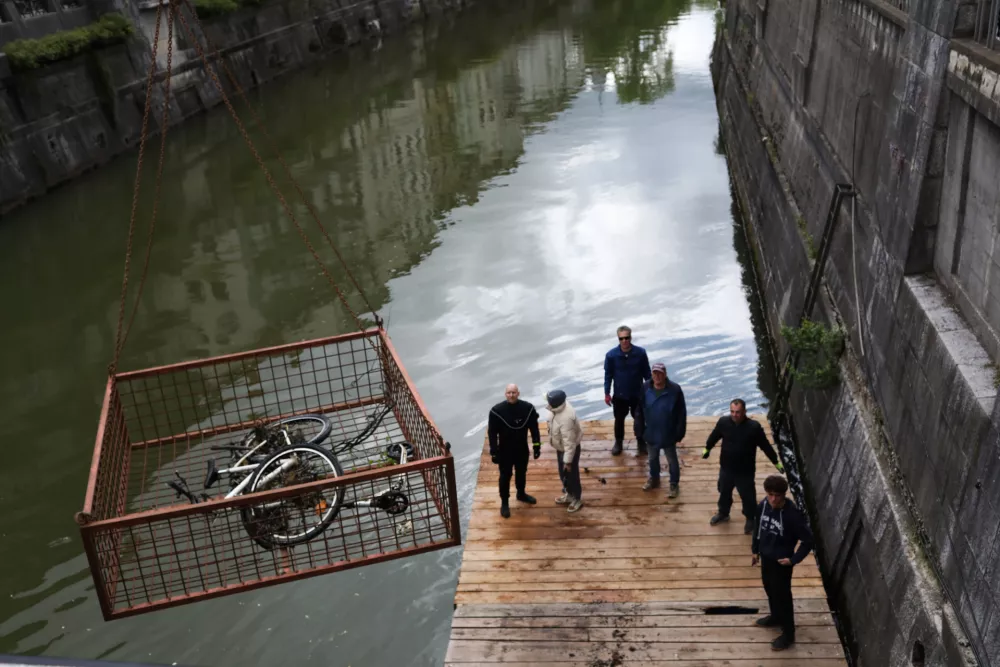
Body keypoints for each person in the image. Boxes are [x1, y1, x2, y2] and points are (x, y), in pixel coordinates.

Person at [751, 474, 814, 652]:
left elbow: (808, 541)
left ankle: (788, 634)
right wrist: (755, 550)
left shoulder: (793, 516)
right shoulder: (763, 506)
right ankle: (776, 616)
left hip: (781, 563)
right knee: (769, 588)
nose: (773, 499)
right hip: (766, 558)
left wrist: (793, 560)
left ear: (784, 495)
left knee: (783, 597)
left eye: (777, 495)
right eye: (770, 494)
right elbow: (758, 529)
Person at [703, 399, 784, 534]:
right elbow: (714, 436)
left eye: (738, 412)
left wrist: (775, 461)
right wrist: (707, 449)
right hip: (726, 468)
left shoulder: (754, 427)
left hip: (745, 471)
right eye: (732, 412)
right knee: (723, 492)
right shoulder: (724, 423)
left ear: (745, 412)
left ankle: (750, 518)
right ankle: (723, 513)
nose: (735, 415)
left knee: (748, 497)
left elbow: (765, 446)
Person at [488, 384, 541, 519]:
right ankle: (504, 502)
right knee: (505, 477)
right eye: (509, 393)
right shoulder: (496, 411)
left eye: (514, 392)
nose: (511, 395)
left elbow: (534, 429)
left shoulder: (528, 409)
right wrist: (494, 451)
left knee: (521, 473)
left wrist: (536, 446)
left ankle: (521, 494)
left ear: (518, 393)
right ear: (505, 394)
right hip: (505, 451)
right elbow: (492, 433)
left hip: (521, 449)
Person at [603, 325, 652, 456]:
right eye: (621, 338)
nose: (624, 341)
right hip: (619, 395)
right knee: (619, 420)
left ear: (631, 337)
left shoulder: (640, 353)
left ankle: (641, 441)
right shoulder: (611, 356)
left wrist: (652, 389)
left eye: (627, 338)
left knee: (639, 419)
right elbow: (608, 375)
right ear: (618, 339)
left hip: (637, 393)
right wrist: (607, 393)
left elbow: (647, 373)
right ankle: (618, 442)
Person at [640, 362, 686, 498]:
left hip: (668, 433)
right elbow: (639, 410)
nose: (657, 376)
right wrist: (640, 429)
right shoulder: (644, 388)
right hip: (651, 432)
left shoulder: (675, 390)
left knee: (672, 460)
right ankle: (654, 479)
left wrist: (680, 432)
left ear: (665, 374)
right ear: (651, 374)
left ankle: (674, 484)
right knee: (652, 458)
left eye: (660, 373)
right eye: (655, 373)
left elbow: (681, 413)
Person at [545, 389, 583, 513]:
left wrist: (568, 462)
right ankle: (569, 494)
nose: (547, 404)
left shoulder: (566, 419)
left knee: (572, 475)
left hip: (569, 450)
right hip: (561, 448)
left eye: (549, 402)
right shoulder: (557, 408)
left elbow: (570, 444)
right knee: (563, 474)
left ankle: (576, 498)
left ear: (555, 404)